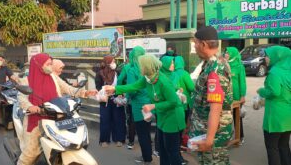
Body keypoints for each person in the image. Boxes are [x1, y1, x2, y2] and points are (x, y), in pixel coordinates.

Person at [17, 53, 97, 165]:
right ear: (39, 65)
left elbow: (68, 88)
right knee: (31, 154)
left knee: (65, 143)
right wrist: (30, 106)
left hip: (57, 116)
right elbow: (22, 98)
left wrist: (84, 92)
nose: (50, 66)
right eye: (48, 64)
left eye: (51, 63)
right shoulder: (26, 81)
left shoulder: (53, 77)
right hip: (36, 118)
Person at [105, 54, 186, 165]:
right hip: (162, 117)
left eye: (141, 65)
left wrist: (153, 106)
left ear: (147, 67)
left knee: (172, 152)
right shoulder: (147, 79)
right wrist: (115, 88)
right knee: (163, 151)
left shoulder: (163, 81)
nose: (139, 67)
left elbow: (173, 102)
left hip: (173, 118)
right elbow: (133, 86)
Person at [189, 26, 233, 165]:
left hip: (212, 135)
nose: (194, 47)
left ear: (203, 44)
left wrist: (209, 141)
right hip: (205, 131)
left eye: (195, 43)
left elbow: (215, 108)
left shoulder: (215, 70)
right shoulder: (210, 64)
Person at [257, 46, 291, 165]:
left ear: (276, 57)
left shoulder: (275, 72)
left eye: (267, 55)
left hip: (275, 117)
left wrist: (261, 91)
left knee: (272, 148)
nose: (265, 58)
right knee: (284, 147)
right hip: (287, 116)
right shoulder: (288, 71)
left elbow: (275, 92)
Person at [126, 46, 152, 164]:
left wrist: (126, 98)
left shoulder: (132, 70)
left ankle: (146, 158)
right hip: (149, 104)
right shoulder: (148, 68)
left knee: (142, 133)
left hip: (138, 106)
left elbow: (132, 90)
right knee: (146, 132)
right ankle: (149, 155)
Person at [95, 55, 126, 147]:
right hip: (105, 99)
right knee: (105, 119)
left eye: (114, 61)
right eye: (112, 61)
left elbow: (123, 83)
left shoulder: (118, 72)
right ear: (107, 62)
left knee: (119, 119)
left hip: (117, 98)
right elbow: (98, 86)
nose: (114, 63)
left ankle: (119, 139)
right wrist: (105, 90)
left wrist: (120, 92)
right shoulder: (100, 73)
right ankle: (104, 140)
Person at [224, 47, 247, 144]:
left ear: (233, 54)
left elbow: (242, 82)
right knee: (226, 117)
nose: (226, 54)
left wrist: (242, 95)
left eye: (228, 53)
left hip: (236, 96)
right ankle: (227, 136)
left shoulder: (239, 66)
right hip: (226, 95)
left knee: (237, 117)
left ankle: (240, 136)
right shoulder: (225, 65)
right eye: (225, 53)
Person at [0, 54, 18, 132]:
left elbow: (12, 75)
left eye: (1, 60)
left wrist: (16, 79)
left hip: (5, 89)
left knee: (15, 103)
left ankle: (13, 122)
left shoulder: (5, 68)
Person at [117, 51, 136, 150]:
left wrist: (120, 91)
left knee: (131, 119)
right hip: (143, 99)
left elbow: (120, 80)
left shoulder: (127, 67)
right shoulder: (142, 67)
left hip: (130, 97)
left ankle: (131, 140)